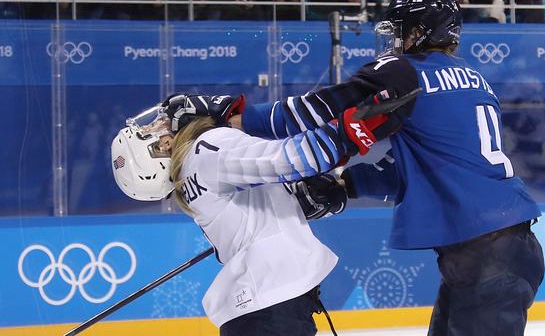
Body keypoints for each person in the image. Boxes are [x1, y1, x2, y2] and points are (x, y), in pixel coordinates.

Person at [171, 0, 545, 335]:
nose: (396, 41)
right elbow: (424, 170)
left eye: (402, 31)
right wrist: (346, 185)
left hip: (486, 255)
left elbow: (310, 112)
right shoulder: (474, 79)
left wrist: (233, 114)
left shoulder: (404, 72)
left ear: (422, 32)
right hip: (501, 245)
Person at [111, 90, 411, 335]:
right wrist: (355, 126)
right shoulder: (205, 148)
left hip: (259, 310)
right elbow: (292, 159)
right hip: (270, 310)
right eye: (150, 131)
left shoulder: (190, 177)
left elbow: (260, 200)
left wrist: (301, 198)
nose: (159, 126)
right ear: (159, 146)